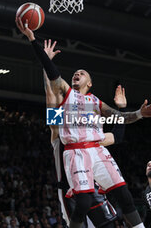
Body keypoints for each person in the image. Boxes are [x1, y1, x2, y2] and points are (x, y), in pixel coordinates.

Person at [16, 19, 151, 228]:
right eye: (76, 72)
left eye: (82, 73)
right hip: (69, 183)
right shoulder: (60, 120)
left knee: (119, 204)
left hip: (95, 179)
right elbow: (51, 95)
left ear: (90, 83)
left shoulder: (95, 109)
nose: (77, 73)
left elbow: (116, 136)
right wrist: (38, 49)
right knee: (82, 205)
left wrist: (125, 108)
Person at [45, 65, 127, 227]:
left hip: (93, 190)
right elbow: (51, 98)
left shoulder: (93, 139)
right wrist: (46, 68)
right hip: (70, 192)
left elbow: (117, 136)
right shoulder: (60, 133)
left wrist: (121, 109)